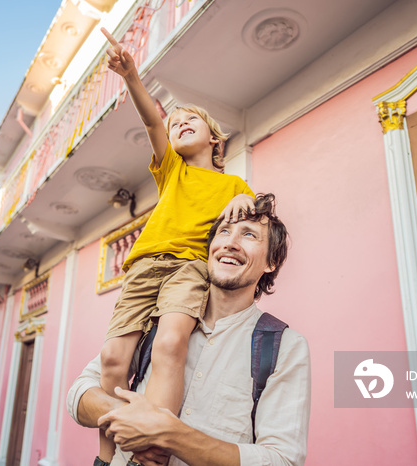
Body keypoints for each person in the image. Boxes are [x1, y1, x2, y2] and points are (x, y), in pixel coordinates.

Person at [96, 28, 256, 464]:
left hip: (190, 269)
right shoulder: (172, 169)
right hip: (146, 266)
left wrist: (245, 199)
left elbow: (249, 219)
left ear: (215, 139)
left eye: (191, 120)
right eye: (175, 122)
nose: (179, 123)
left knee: (170, 345)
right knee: (113, 358)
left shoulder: (234, 184)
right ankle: (106, 457)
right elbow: (151, 118)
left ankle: (154, 447)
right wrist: (131, 76)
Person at [68, 193, 311, 466]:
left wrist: (170, 435)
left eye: (249, 235)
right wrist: (133, 418)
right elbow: (80, 392)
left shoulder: (283, 346)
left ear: (271, 262)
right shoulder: (161, 319)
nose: (230, 243)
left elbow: (282, 460)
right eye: (224, 232)